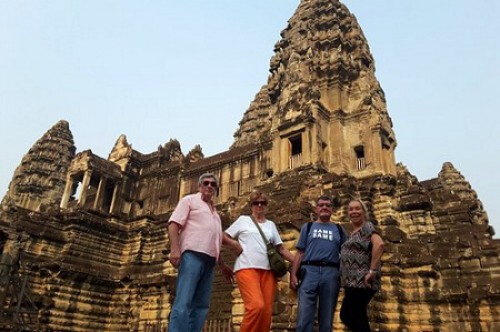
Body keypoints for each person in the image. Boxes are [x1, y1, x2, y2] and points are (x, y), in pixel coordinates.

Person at [168, 173, 234, 332]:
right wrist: (175, 249)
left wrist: (222, 264)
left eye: (213, 184)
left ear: (216, 190)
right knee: (184, 301)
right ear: (199, 186)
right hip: (192, 255)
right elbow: (173, 224)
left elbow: (215, 239)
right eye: (206, 183)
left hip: (210, 261)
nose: (209, 186)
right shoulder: (189, 200)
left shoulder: (216, 214)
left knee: (202, 305)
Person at [223, 190, 294, 332]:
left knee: (266, 313)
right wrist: (235, 244)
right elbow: (223, 236)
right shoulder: (243, 220)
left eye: (263, 203)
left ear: (266, 206)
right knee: (256, 306)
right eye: (256, 203)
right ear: (251, 205)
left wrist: (299, 261)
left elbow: (281, 249)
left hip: (268, 271)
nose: (259, 205)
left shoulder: (271, 225)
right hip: (246, 267)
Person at [290, 195, 346, 332]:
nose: (324, 207)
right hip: (309, 271)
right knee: (304, 317)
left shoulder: (339, 230)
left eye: (327, 205)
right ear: (316, 209)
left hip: (331, 272)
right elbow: (300, 252)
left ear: (332, 209)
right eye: (321, 205)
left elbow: (345, 255)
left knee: (327, 318)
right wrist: (293, 275)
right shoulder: (308, 227)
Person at [339, 199, 385, 332]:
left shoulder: (367, 227)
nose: (354, 212)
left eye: (357, 209)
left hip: (362, 281)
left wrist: (372, 270)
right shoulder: (353, 232)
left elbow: (379, 244)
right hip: (352, 282)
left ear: (364, 212)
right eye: (351, 209)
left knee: (347, 315)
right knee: (359, 316)